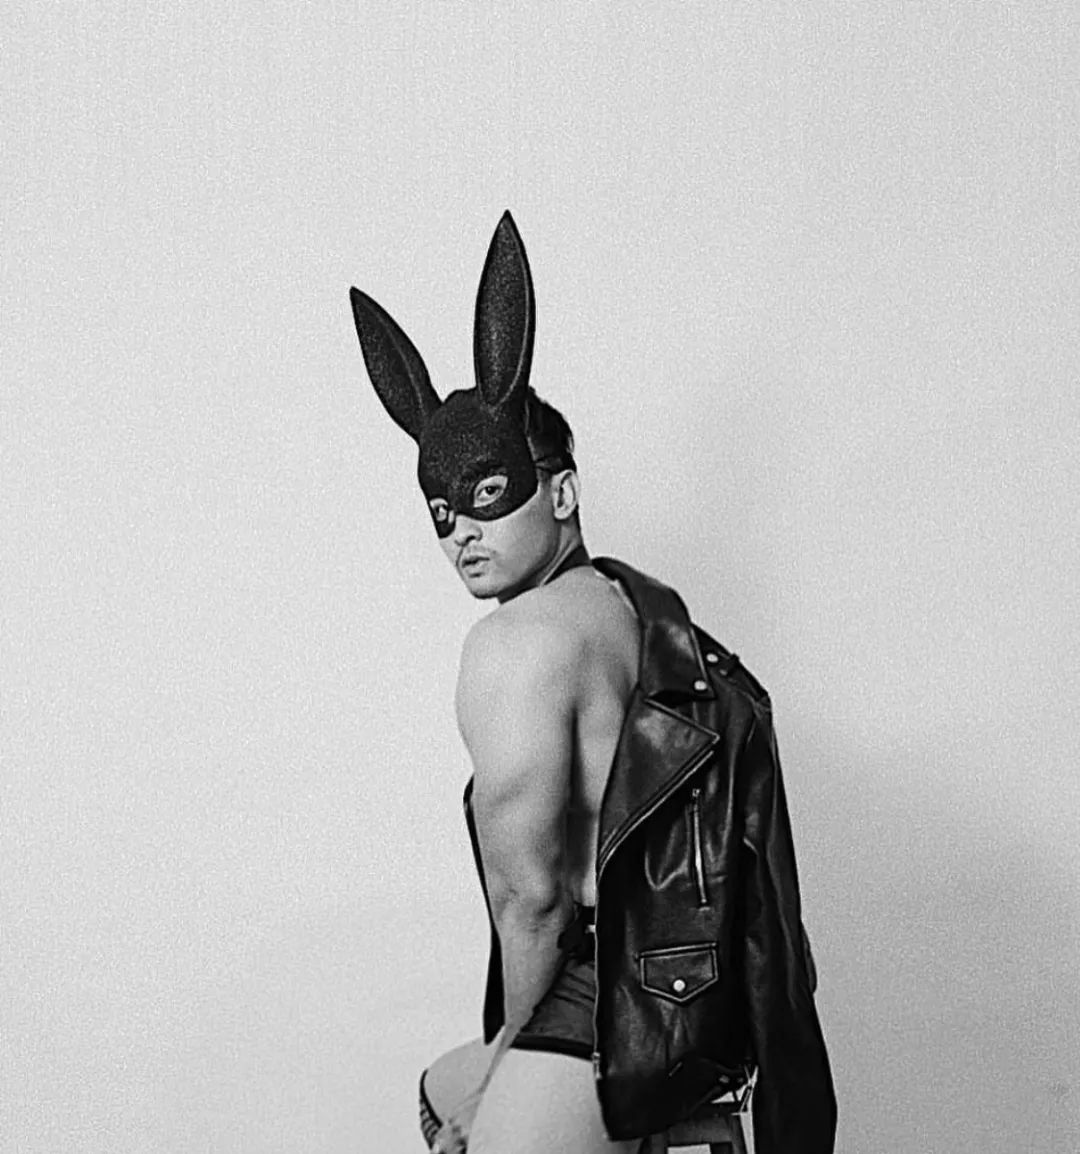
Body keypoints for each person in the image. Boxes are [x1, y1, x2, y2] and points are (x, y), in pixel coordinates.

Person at [349, 213, 837, 1154]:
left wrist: (507, 1063)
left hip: (612, 999)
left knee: (469, 1111)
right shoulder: (637, 612)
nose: (462, 533)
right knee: (440, 1090)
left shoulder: (515, 646)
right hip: (703, 994)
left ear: (562, 492)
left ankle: (620, 1121)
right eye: (442, 511)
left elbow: (531, 899)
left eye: (488, 496)